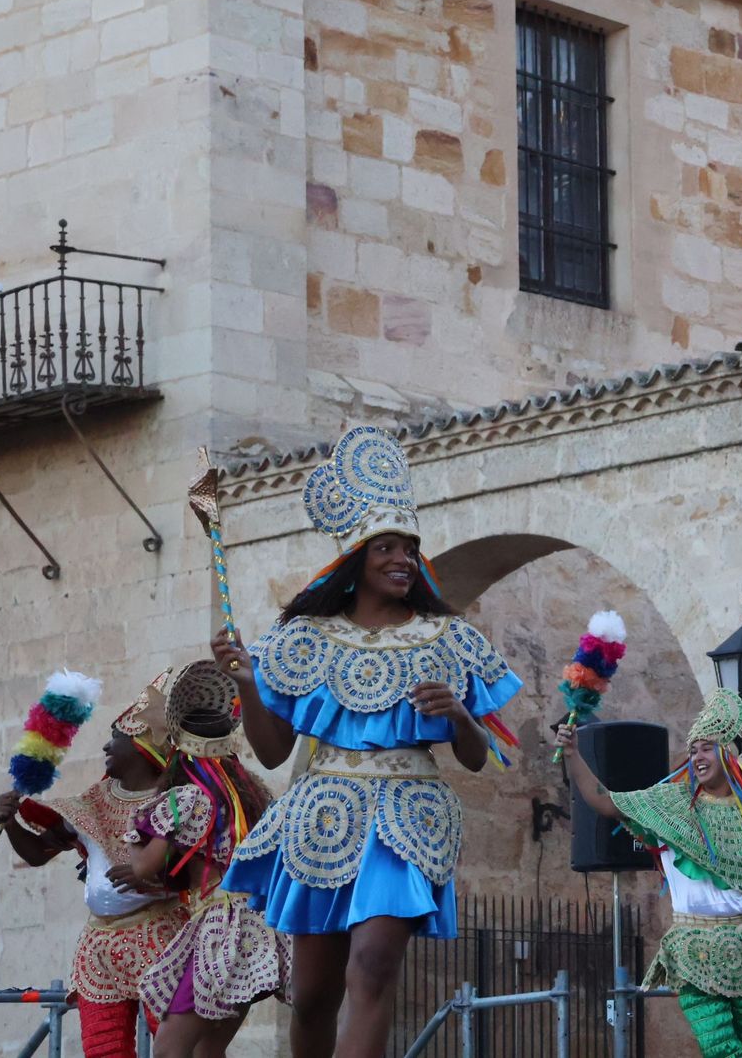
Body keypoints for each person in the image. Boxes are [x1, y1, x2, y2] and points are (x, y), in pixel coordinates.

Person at [214, 426, 524, 1058]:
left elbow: (473, 757)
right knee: (315, 993)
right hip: (321, 813)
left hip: (408, 816)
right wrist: (248, 680)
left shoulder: (448, 638)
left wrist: (461, 715)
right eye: (386, 547)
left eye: (409, 549)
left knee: (373, 966)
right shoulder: (303, 639)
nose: (402, 560)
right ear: (357, 556)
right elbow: (273, 753)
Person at [555, 687, 742, 1058]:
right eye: (693, 750)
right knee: (722, 1051)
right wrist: (573, 754)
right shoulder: (671, 805)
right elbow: (606, 801)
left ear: (729, 752)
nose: (697, 756)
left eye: (706, 747)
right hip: (695, 951)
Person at [0, 673, 191, 1058]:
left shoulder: (178, 801)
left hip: (163, 937)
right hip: (98, 948)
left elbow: (204, 870)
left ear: (141, 748)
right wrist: (10, 823)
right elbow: (38, 853)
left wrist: (154, 881)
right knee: (103, 1052)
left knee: (178, 1050)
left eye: (115, 738)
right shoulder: (92, 801)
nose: (105, 745)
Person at [118, 660, 290, 1058]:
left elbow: (145, 867)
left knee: (169, 1049)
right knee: (208, 1052)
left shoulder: (185, 801)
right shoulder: (254, 796)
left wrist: (133, 828)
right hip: (256, 928)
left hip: (218, 928)